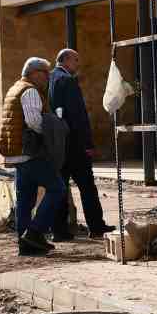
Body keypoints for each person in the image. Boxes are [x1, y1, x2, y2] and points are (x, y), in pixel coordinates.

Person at [0, 57, 67, 256]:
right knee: (57, 189)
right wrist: (54, 127)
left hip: (17, 154)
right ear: (33, 73)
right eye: (44, 73)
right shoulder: (29, 90)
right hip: (30, 153)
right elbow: (34, 121)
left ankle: (25, 243)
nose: (47, 77)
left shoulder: (15, 88)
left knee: (25, 200)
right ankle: (35, 232)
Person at [48, 49, 114, 240]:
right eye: (75, 60)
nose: (78, 64)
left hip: (57, 144)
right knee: (87, 187)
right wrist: (88, 143)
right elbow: (78, 116)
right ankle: (96, 226)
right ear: (66, 60)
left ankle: (59, 231)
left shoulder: (50, 79)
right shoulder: (67, 81)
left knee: (60, 188)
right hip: (74, 144)